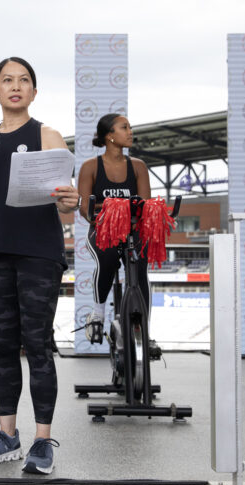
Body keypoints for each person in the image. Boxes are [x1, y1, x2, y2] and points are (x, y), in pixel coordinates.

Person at [0, 57, 79, 475]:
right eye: (7, 80)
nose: (15, 86)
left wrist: (70, 200)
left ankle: (42, 442)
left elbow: (65, 207)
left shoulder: (48, 135)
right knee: (5, 345)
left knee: (38, 345)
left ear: (34, 92)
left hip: (40, 252)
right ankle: (7, 437)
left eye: (24, 80)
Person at [77, 113, 152, 344]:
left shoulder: (138, 166)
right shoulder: (90, 166)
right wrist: (112, 212)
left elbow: (145, 204)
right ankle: (97, 314)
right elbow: (84, 208)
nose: (130, 132)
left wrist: (113, 207)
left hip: (133, 228)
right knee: (107, 258)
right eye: (124, 127)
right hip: (103, 229)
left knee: (140, 267)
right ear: (109, 135)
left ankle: (145, 330)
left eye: (130, 127)